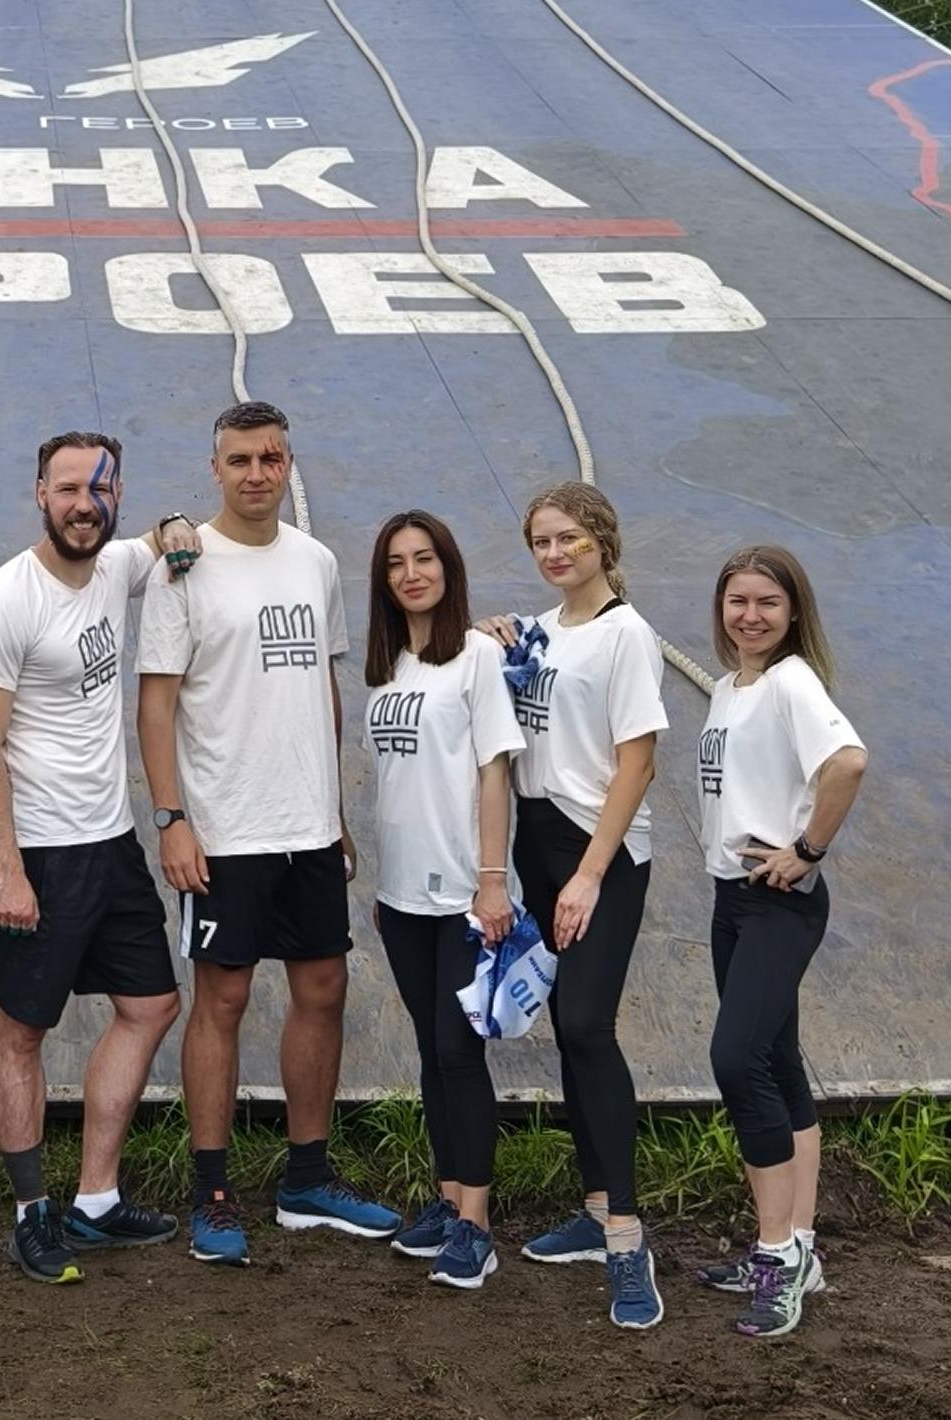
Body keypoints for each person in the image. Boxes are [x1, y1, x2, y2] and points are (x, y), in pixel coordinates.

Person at [136, 401, 400, 1268]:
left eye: (272, 458)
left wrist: (333, 809)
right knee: (223, 1000)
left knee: (323, 987)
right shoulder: (183, 566)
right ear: (215, 468)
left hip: (308, 828)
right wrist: (173, 819)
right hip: (223, 830)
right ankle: (211, 1191)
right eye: (241, 459)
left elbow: (322, 687)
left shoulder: (315, 561)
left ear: (289, 465)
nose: (257, 473)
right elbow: (157, 704)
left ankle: (307, 1180)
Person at [0, 430, 200, 1284]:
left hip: (109, 841)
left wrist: (176, 525)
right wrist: (6, 868)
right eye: (66, 489)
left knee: (152, 1004)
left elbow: (164, 536)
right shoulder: (4, 602)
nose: (82, 504)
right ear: (39, 495)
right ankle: (32, 1213)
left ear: (115, 496)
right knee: (22, 1030)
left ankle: (95, 1200)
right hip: (40, 854)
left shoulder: (114, 566)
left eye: (98, 489)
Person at [477, 483, 666, 1330]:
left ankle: (627, 1236)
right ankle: (594, 1211)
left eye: (569, 540)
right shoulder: (541, 631)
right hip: (538, 842)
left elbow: (637, 763)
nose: (554, 554)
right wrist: (492, 639)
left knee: (589, 1025)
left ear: (603, 541)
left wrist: (589, 876)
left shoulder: (627, 635)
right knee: (568, 1028)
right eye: (541, 542)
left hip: (600, 851)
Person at [688, 546, 865, 1338]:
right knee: (778, 1062)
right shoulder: (731, 688)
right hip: (734, 898)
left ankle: (775, 1257)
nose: (751, 615)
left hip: (777, 901)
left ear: (794, 612)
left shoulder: (792, 681)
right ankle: (799, 1246)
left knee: (738, 1062)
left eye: (767, 602)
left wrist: (808, 849)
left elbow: (847, 762)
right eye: (738, 601)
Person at [359, 511, 523, 1289]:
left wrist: (491, 881)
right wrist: (385, 883)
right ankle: (448, 1196)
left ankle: (477, 1225)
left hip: (463, 893)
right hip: (401, 897)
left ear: (449, 568)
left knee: (460, 1053)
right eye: (396, 563)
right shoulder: (387, 667)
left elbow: (495, 772)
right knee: (431, 1050)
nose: (411, 573)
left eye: (424, 558)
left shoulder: (477, 657)